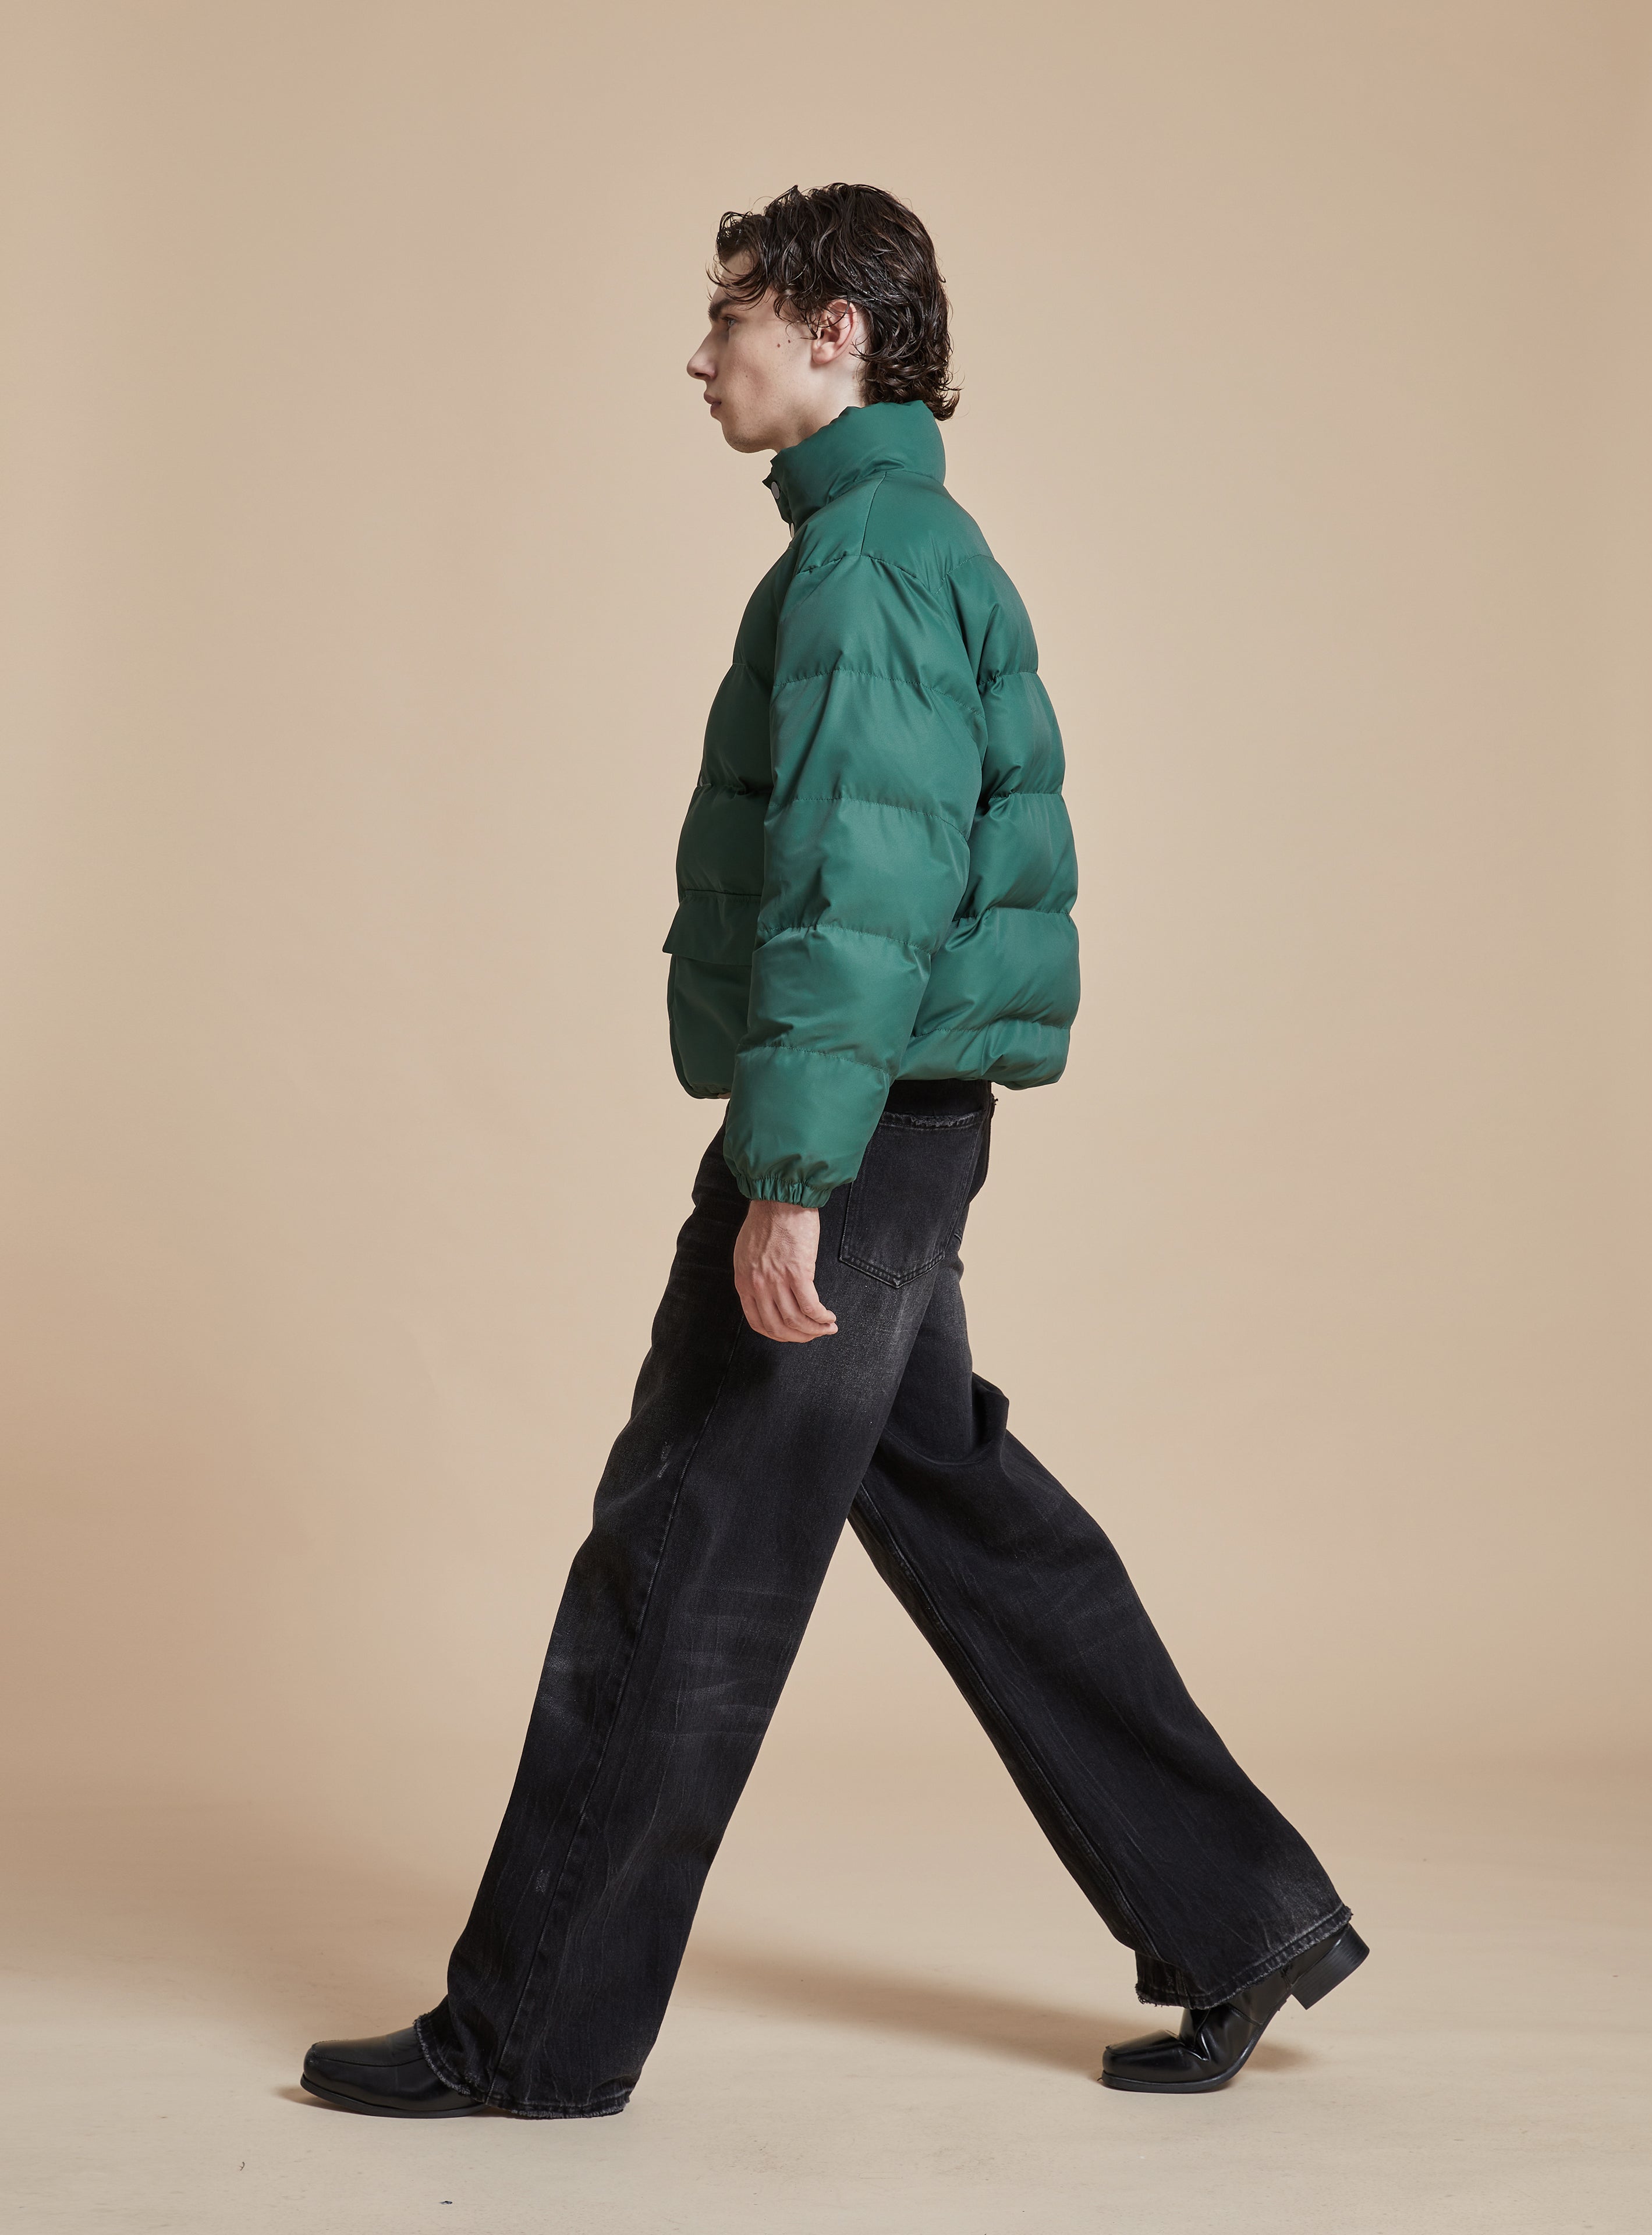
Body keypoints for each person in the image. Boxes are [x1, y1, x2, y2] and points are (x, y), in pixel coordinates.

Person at [300, 182, 1366, 2122]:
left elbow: (867, 892)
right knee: (964, 1510)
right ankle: (1243, 1912)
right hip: (897, 1115)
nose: (700, 355)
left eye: (733, 317)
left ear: (839, 335)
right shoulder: (886, 542)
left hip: (856, 1128)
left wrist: (790, 1168)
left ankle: (528, 2035)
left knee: (681, 1552)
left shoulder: (868, 558)